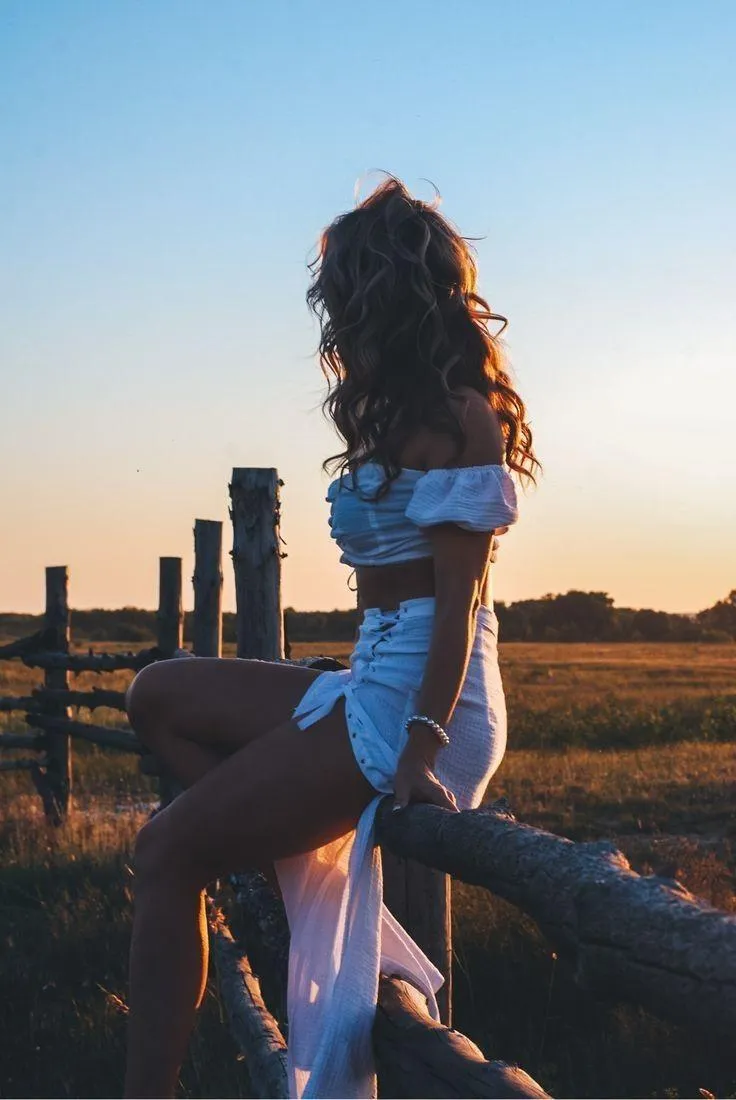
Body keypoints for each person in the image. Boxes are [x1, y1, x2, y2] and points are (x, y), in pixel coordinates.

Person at [123, 174, 539, 1099]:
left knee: (165, 853)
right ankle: (279, 835)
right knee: (156, 693)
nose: (330, 310)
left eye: (342, 289)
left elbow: (461, 603)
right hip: (371, 675)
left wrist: (423, 743)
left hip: (430, 702)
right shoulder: (382, 409)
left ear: (384, 292)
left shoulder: (461, 415)